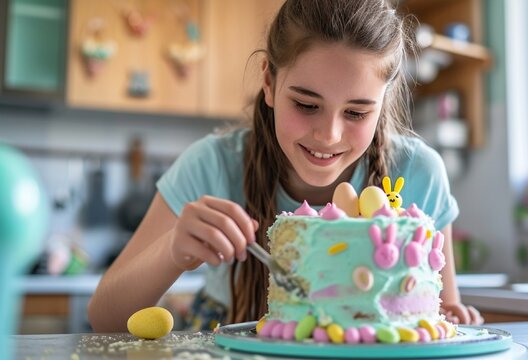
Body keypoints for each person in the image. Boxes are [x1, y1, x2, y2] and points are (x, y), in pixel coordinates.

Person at [88, 0, 483, 332]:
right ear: (269, 82)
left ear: (383, 102)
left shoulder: (419, 173)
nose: (328, 134)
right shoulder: (211, 165)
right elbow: (104, 319)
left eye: (357, 112)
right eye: (307, 105)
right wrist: (172, 251)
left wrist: (451, 318)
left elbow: (438, 312)